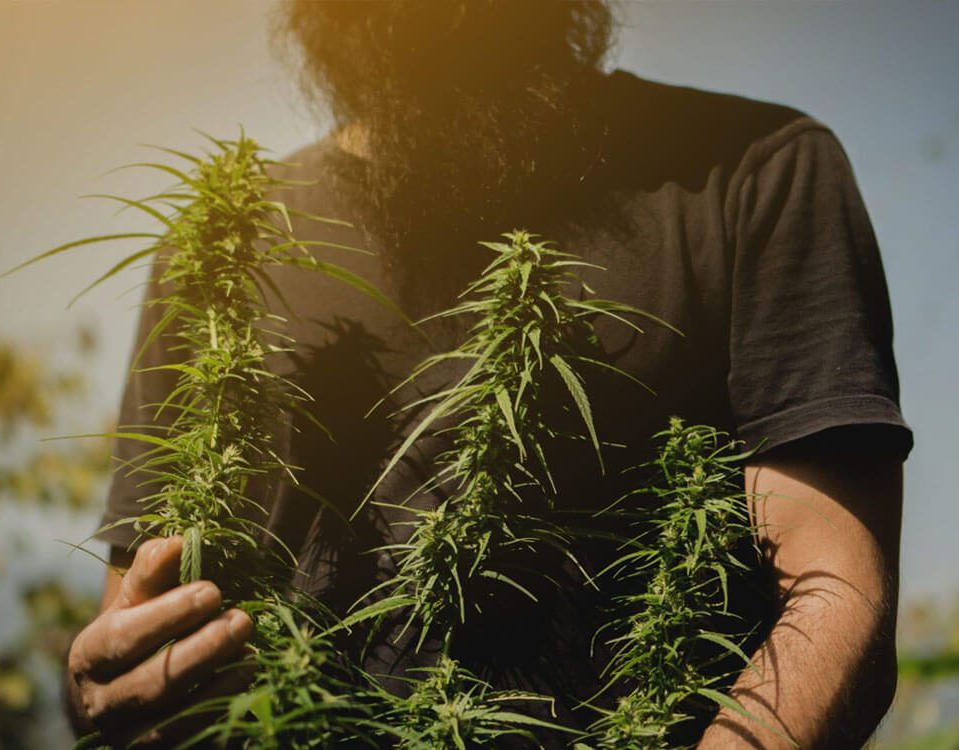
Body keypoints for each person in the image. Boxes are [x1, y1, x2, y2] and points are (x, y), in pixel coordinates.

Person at [64, 2, 912, 747]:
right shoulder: (218, 243)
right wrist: (112, 683)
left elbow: (834, 588)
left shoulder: (751, 171)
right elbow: (135, 622)